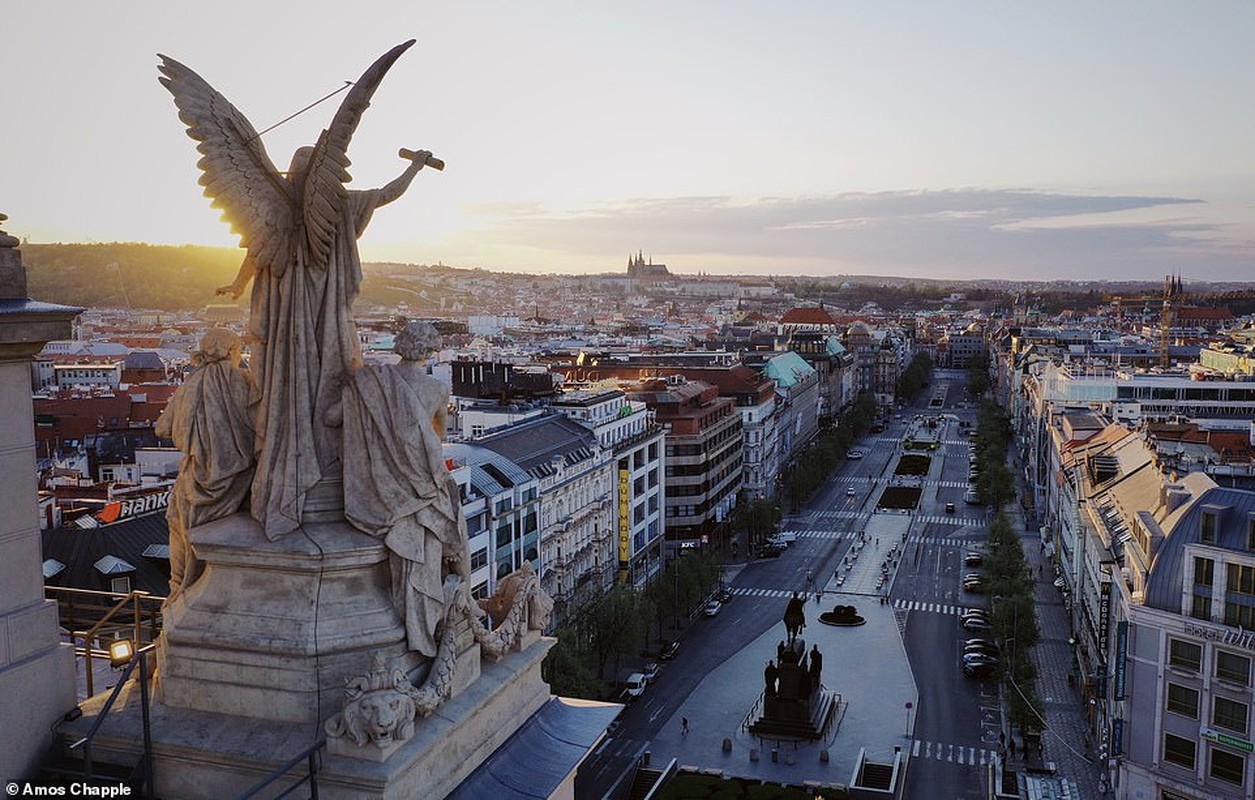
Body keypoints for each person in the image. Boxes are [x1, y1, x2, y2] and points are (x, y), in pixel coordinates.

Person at [159, 42, 437, 540]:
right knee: (320, 377)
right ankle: (309, 474)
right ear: (318, 179)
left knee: (290, 384)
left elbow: (257, 248)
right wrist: (415, 167)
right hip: (317, 312)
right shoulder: (338, 208)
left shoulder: (300, 206)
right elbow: (384, 195)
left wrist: (240, 282)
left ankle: (288, 470)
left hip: (286, 311)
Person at [341, 322, 470, 657]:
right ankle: (459, 600)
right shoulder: (435, 389)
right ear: (430, 350)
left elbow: (331, 418)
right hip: (421, 487)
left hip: (380, 489)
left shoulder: (371, 384)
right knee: (451, 524)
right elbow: (437, 435)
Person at [156, 329, 256, 602]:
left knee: (179, 528)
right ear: (232, 352)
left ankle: (180, 589)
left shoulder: (189, 385)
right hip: (237, 482)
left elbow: (162, 428)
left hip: (193, 480)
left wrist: (194, 430)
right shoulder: (246, 383)